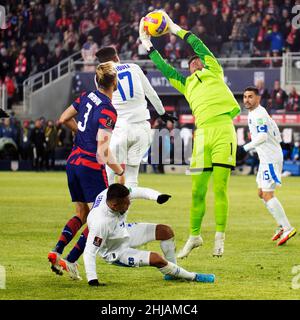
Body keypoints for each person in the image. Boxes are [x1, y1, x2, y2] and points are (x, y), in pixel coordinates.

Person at [139, 12, 240, 258]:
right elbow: (164, 67)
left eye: (197, 60)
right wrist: (148, 46)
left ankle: (219, 237)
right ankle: (194, 236)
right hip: (203, 135)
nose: (194, 62)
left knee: (220, 188)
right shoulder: (185, 84)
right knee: (197, 191)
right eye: (190, 62)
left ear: (205, 63)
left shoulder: (214, 70)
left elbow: (197, 44)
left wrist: (174, 29)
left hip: (223, 129)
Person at [48, 61, 125, 276]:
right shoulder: (108, 110)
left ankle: (57, 251)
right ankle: (71, 260)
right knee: (99, 219)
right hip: (91, 167)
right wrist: (120, 171)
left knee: (82, 213)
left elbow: (63, 119)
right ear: (114, 83)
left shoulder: (86, 96)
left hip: (73, 162)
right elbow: (102, 152)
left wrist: (81, 134)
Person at [83, 183, 215, 286]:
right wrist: (92, 280)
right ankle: (193, 276)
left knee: (165, 231)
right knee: (157, 259)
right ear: (114, 205)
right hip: (116, 251)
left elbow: (139, 191)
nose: (129, 204)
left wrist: (157, 196)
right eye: (126, 204)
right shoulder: (100, 223)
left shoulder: (113, 193)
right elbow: (89, 252)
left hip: (123, 231)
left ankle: (172, 273)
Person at [95, 46, 177, 188]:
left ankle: (106, 209)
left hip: (119, 129)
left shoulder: (99, 77)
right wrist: (162, 113)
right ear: (116, 58)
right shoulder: (134, 68)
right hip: (142, 129)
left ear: (101, 64)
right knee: (132, 176)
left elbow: (102, 104)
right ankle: (125, 209)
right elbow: (151, 94)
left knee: (109, 173)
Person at [243, 87, 296, 245]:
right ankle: (281, 225)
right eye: (245, 97)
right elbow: (274, 132)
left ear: (258, 98)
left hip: (271, 159)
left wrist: (245, 148)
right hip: (266, 158)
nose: (246, 100)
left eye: (250, 97)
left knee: (268, 194)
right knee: (261, 193)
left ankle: (287, 227)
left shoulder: (259, 114)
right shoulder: (255, 113)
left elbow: (263, 136)